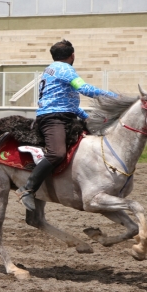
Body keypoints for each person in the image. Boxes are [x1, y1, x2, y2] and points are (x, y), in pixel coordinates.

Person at [17, 40, 117, 211]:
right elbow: (84, 89)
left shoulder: (51, 69)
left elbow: (65, 102)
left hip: (63, 115)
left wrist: (87, 118)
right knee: (57, 154)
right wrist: (115, 97)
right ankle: (27, 189)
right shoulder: (65, 69)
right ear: (72, 56)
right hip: (53, 119)